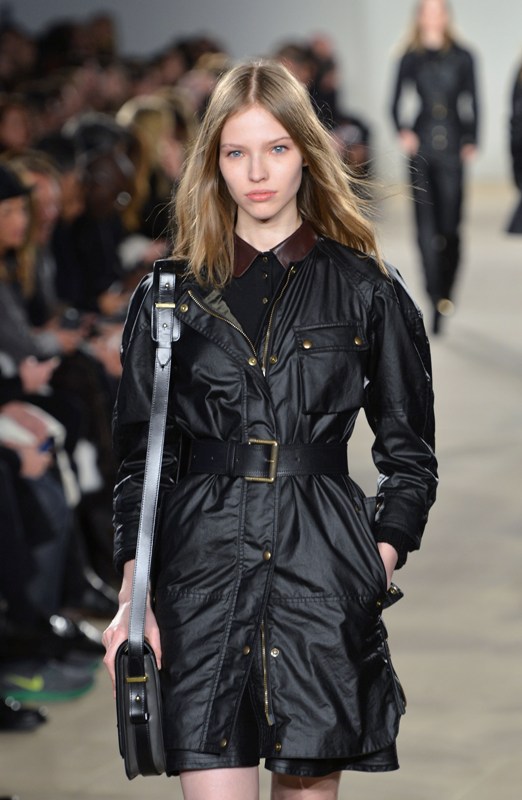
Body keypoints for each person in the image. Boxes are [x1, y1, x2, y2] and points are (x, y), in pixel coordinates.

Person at [102, 59, 438, 800]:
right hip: (199, 578)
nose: (257, 172)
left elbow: (410, 453)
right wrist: (134, 596)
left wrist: (376, 557)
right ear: (213, 162)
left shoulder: (366, 290)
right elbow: (140, 464)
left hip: (320, 574)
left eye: (277, 148)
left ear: (307, 154)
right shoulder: (168, 297)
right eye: (237, 151)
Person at [390, 0, 479, 334]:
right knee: (425, 229)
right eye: (426, 10)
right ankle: (434, 296)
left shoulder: (463, 56)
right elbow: (393, 101)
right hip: (423, 148)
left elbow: (474, 99)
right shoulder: (409, 57)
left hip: (454, 145)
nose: (432, 16)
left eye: (437, 10)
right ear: (419, 17)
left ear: (446, 15)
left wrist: (472, 137)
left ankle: (447, 291)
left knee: (451, 228)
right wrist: (403, 131)